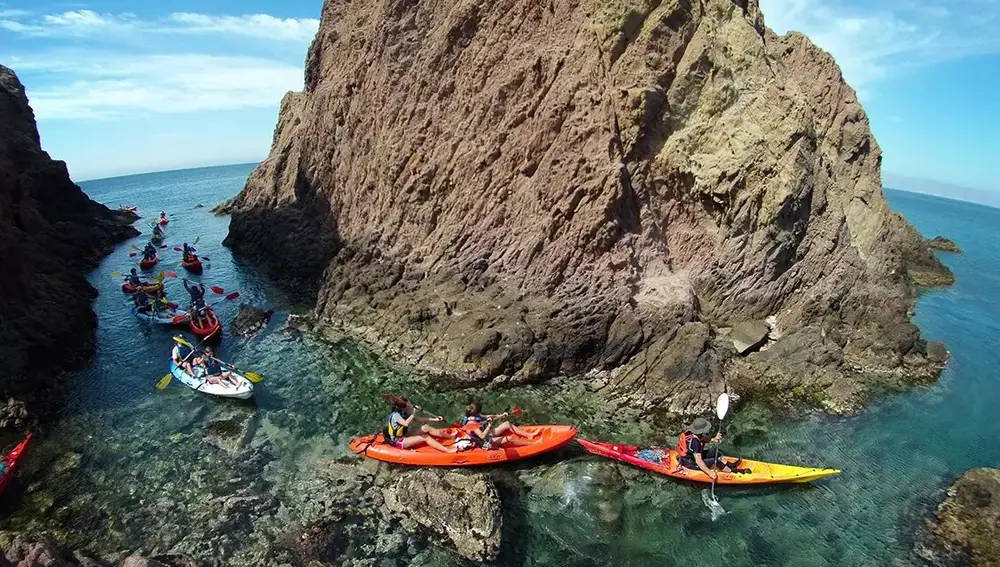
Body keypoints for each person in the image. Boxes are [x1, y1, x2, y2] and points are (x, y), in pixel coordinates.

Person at [676, 418, 748, 479]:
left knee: (715, 451)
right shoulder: (695, 442)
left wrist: (714, 439)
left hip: (691, 457)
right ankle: (732, 471)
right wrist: (709, 473)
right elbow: (699, 461)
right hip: (690, 463)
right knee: (715, 461)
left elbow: (703, 439)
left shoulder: (690, 433)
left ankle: (729, 465)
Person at [383, 394, 457, 453]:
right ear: (402, 407)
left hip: (404, 434)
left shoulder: (405, 412)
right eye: (407, 405)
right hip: (398, 441)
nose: (409, 406)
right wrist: (414, 412)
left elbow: (419, 420)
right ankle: (447, 450)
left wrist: (436, 419)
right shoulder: (396, 416)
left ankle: (450, 437)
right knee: (425, 437)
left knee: (426, 427)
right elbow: (406, 424)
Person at [460, 401, 540, 439]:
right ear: (477, 411)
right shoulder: (471, 423)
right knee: (507, 425)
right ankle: (529, 436)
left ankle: (528, 435)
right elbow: (482, 435)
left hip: (488, 431)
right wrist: (489, 424)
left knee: (507, 423)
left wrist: (501, 415)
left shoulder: (472, 415)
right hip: (486, 435)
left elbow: (488, 416)